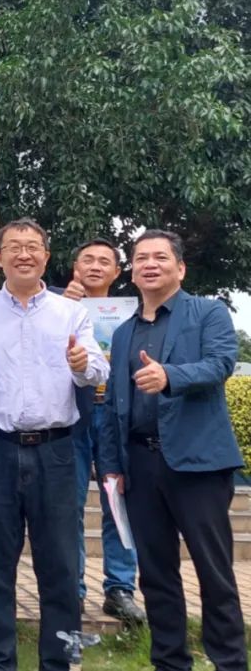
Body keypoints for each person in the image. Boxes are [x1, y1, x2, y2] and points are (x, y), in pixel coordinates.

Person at [0, 218, 108, 671]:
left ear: (46, 256)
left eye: (32, 247)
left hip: (56, 451)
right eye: (14, 247)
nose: (23, 254)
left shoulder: (71, 313)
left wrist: (82, 365)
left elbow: (98, 371)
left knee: (61, 569)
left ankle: (60, 663)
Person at [99, 230, 246, 671]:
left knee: (214, 572)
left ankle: (229, 661)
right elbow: (113, 405)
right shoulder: (123, 333)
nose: (150, 264)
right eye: (141, 258)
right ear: (131, 271)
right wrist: (111, 466)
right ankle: (169, 661)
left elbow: (220, 363)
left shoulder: (207, 312)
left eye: (160, 257)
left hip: (198, 465)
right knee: (156, 574)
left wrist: (170, 376)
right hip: (141, 466)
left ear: (180, 268)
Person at [59, 239, 145, 624]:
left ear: (117, 272)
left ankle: (120, 588)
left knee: (117, 500)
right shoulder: (54, 306)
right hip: (71, 416)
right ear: (74, 267)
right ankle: (72, 589)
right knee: (69, 503)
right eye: (88, 260)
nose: (95, 266)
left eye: (104, 262)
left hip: (114, 418)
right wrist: (64, 306)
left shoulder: (133, 315)